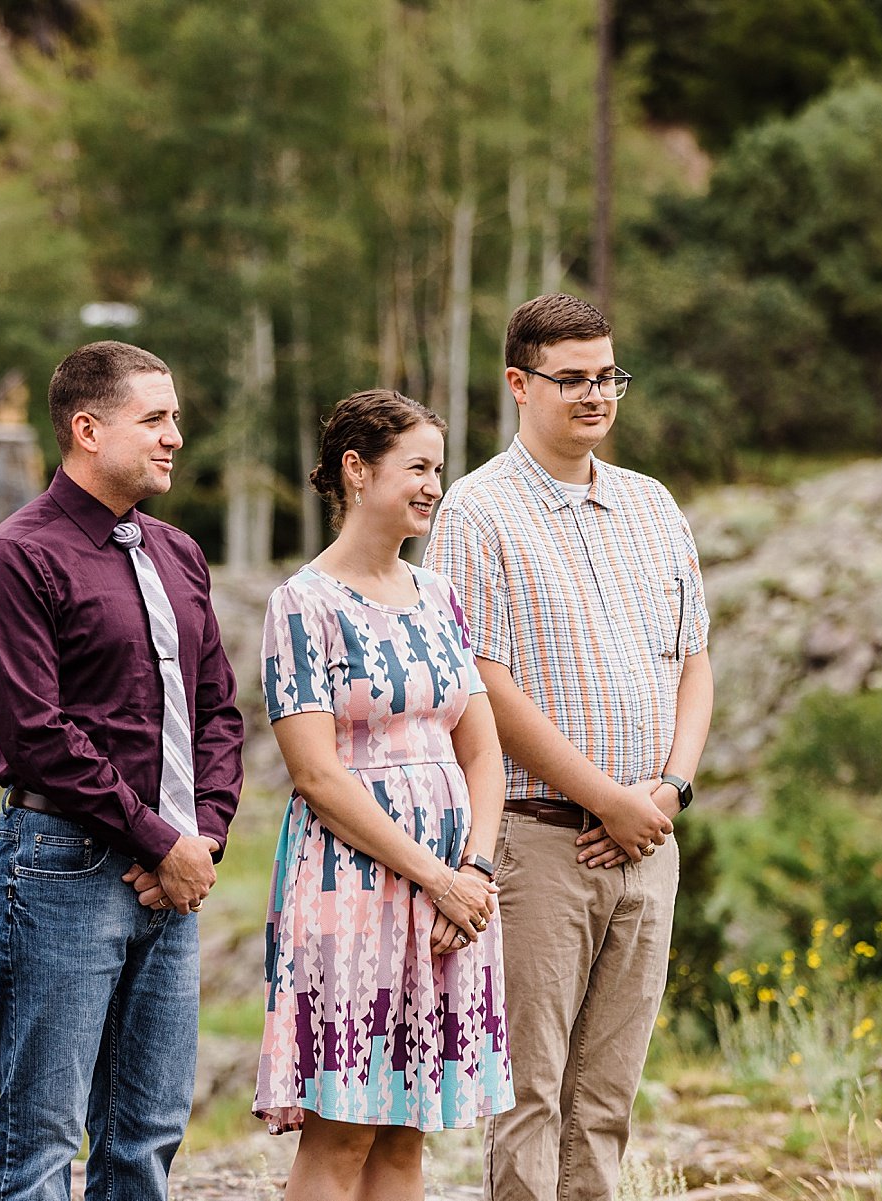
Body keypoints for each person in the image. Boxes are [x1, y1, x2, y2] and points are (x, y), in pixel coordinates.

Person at [423, 294, 714, 1201]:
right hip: (540, 840)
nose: (596, 395)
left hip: (648, 840)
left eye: (607, 376)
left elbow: (695, 659)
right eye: (572, 378)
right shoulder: (476, 510)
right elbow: (483, 683)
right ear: (519, 383)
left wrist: (666, 791)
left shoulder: (651, 503)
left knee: (609, 1097)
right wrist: (606, 797)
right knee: (532, 1094)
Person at [0, 341, 244, 1201]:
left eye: (175, 419)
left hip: (172, 876)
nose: (174, 438)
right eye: (154, 419)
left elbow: (218, 709)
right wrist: (161, 840)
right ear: (87, 428)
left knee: (147, 1132)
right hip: (62, 866)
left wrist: (202, 840)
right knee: (41, 1132)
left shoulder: (178, 553)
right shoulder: (13, 560)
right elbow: (38, 734)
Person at [256, 389, 514, 1201]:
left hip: (452, 891)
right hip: (350, 886)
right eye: (418, 466)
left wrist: (469, 871)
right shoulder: (302, 603)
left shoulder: (439, 596)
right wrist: (433, 876)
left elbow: (484, 750)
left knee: (408, 1131)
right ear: (356, 471)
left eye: (440, 466)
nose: (436, 483)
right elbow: (318, 776)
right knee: (345, 1129)